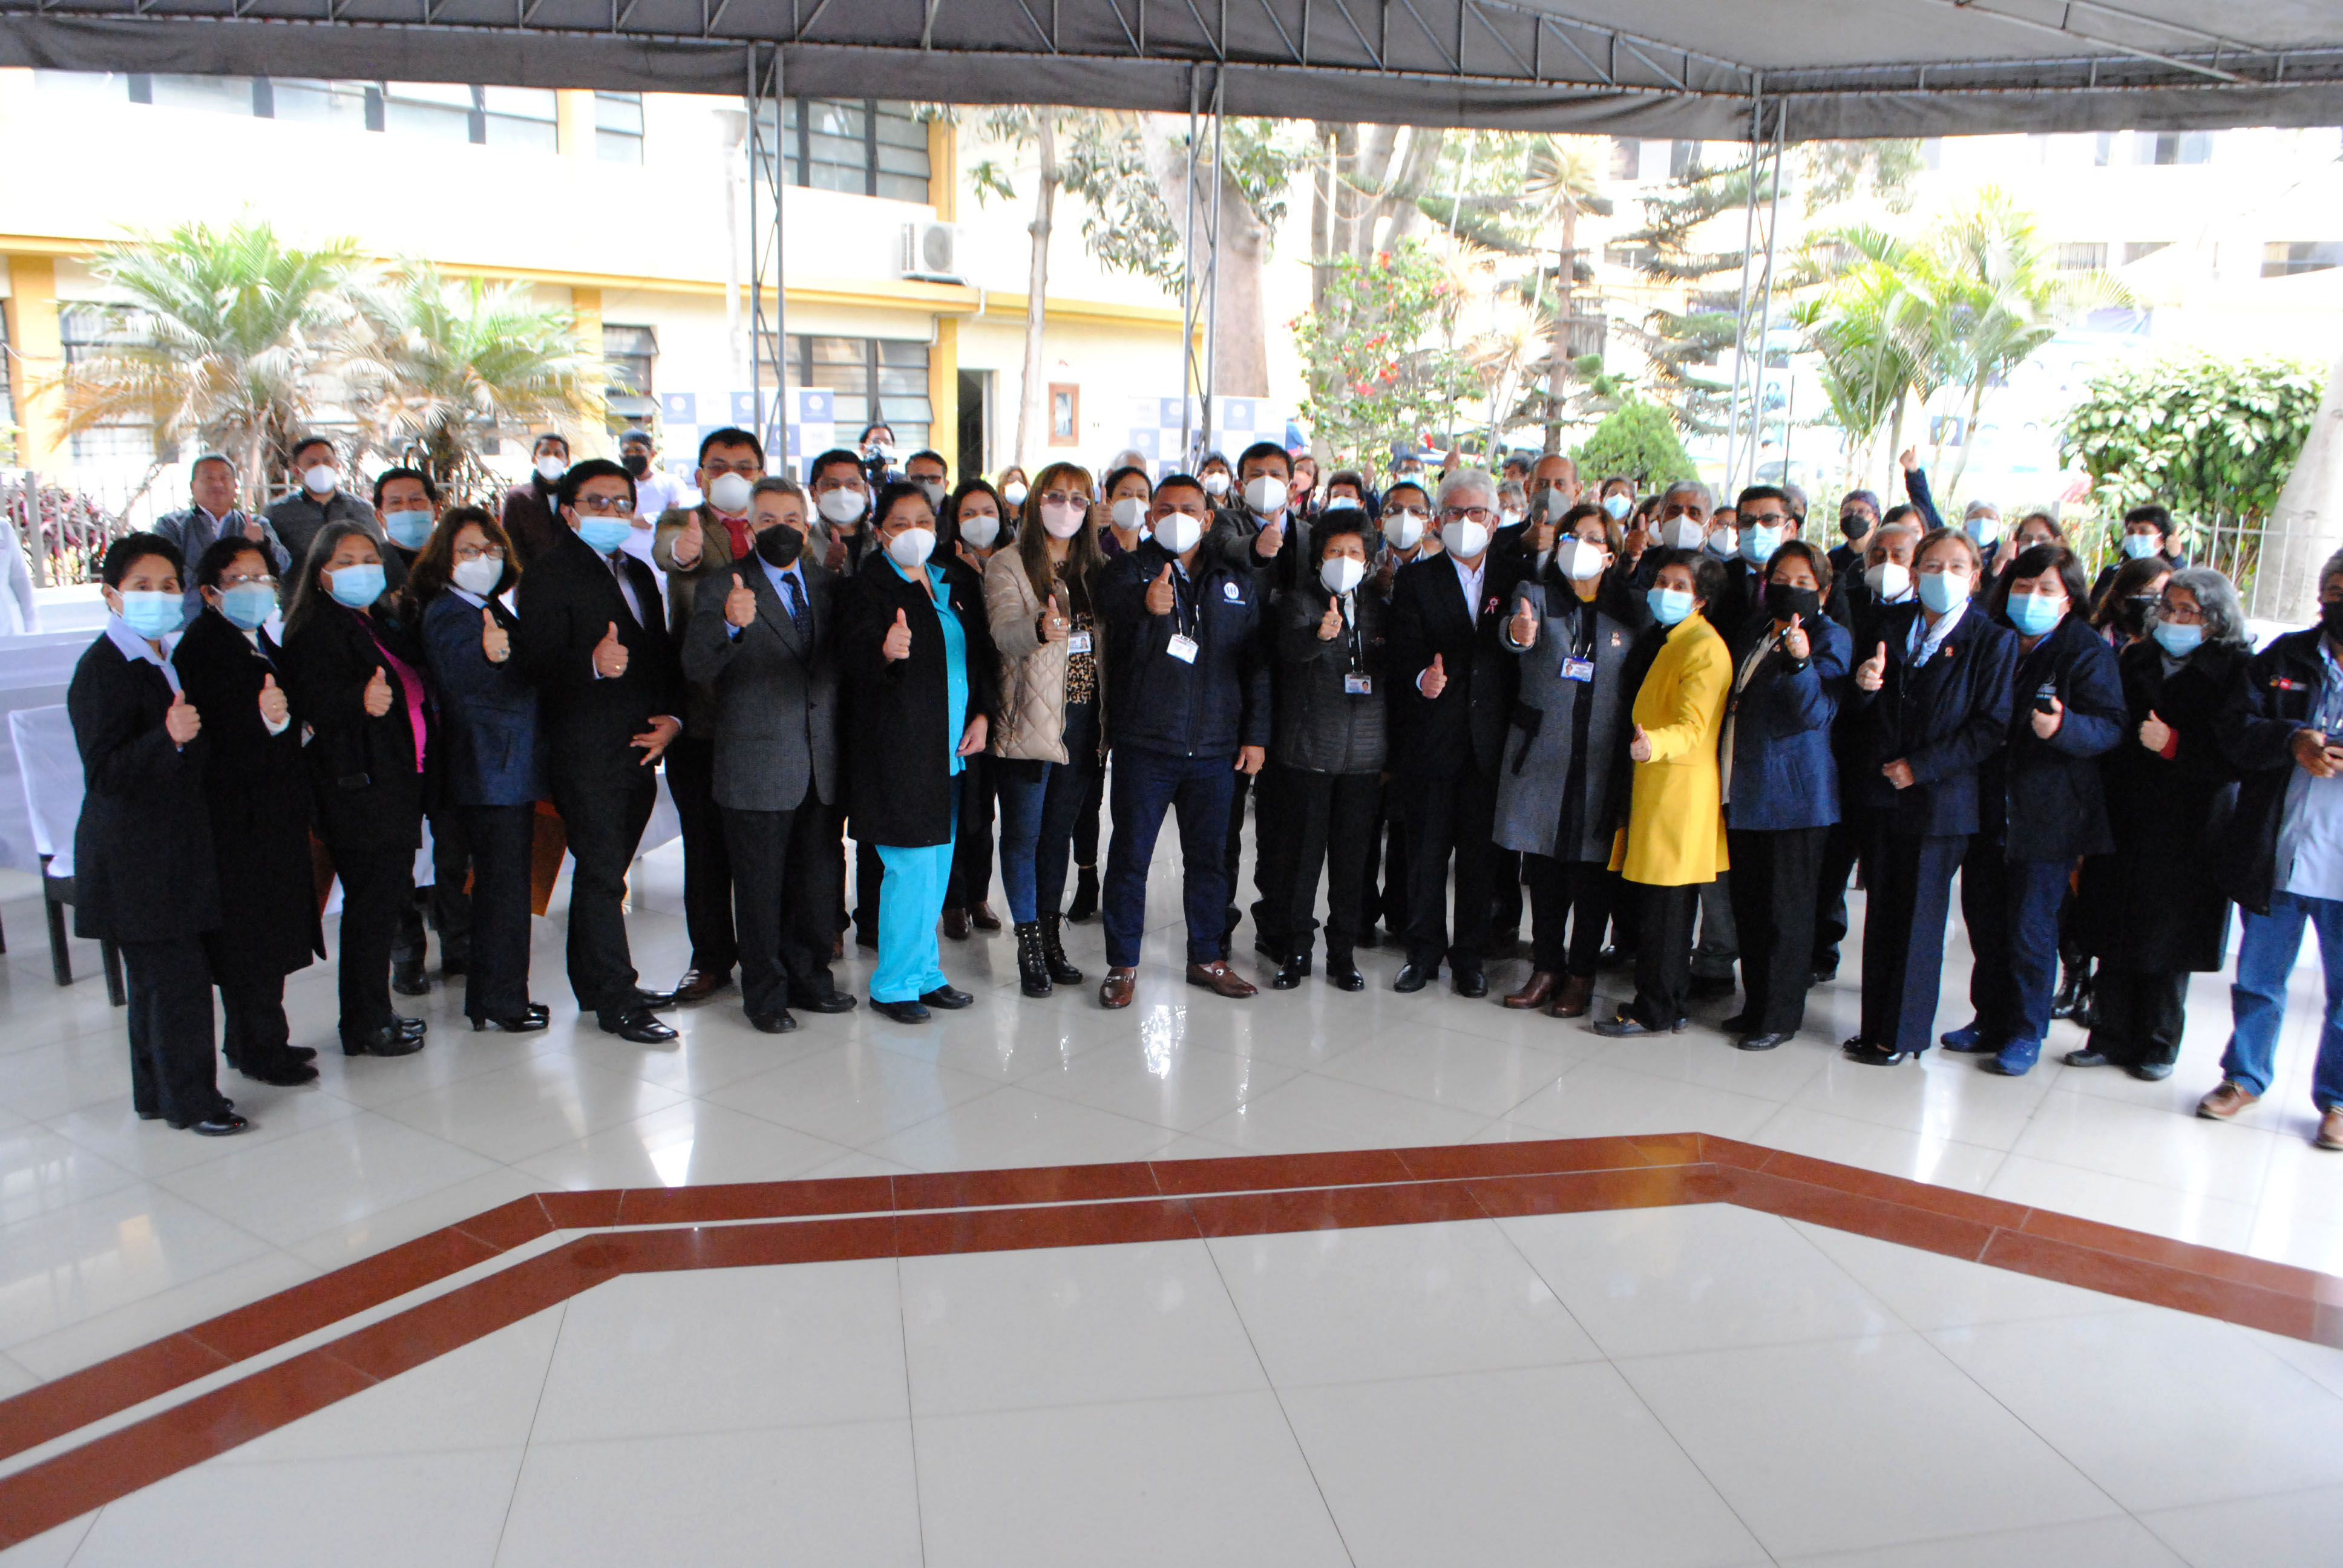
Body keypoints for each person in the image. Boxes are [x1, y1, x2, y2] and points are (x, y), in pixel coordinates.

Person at [70, 535, 246, 1135]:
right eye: (142, 587)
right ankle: (194, 1102)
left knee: (158, 984)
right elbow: (104, 773)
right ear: (111, 596)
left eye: (168, 586)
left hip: (170, 848)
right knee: (178, 985)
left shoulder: (160, 655)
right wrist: (166, 738)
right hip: (136, 859)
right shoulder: (103, 669)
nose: (159, 596)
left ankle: (157, 1093)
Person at [513, 459, 685, 1044]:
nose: (611, 513)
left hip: (639, 743)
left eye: (620, 503)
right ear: (569, 511)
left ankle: (596, 984)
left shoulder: (637, 570)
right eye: (597, 502)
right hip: (584, 746)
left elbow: (658, 653)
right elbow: (532, 664)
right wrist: (589, 664)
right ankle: (617, 998)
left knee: (604, 870)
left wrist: (672, 718)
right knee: (604, 877)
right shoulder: (546, 574)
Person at [1941, 544, 2124, 1076]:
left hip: (2047, 817)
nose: (2032, 597)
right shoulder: (1989, 637)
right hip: (1983, 808)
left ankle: (2025, 1029)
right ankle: (1989, 1018)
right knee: (1985, 921)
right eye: (2023, 585)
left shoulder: (2084, 650)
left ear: (2069, 599)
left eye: (2047, 589)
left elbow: (2111, 726)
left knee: (2029, 929)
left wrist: (2064, 727)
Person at [680, 476, 853, 1033]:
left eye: (793, 520)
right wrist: (732, 625)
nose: (783, 529)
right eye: (770, 520)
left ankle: (811, 982)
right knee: (758, 889)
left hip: (822, 764)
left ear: (808, 526)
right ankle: (765, 995)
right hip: (756, 765)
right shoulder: (721, 587)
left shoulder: (830, 585)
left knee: (816, 885)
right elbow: (697, 668)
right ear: (751, 526)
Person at [1841, 529, 2018, 1065]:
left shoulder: (1992, 640)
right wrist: (1864, 688)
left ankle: (1902, 1034)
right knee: (1882, 914)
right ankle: (1873, 1027)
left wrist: (1920, 769)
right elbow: (1861, 705)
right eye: (1932, 566)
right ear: (1914, 573)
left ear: (1975, 577)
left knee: (1919, 920)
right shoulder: (1891, 626)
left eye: (1956, 567)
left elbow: (1990, 727)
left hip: (1940, 801)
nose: (1942, 577)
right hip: (1882, 793)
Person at [2068, 569, 2253, 1080]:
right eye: (2167, 608)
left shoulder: (2236, 669)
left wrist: (2175, 746)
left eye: (2187, 612)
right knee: (2116, 920)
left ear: (2214, 620)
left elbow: (2239, 751)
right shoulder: (2138, 658)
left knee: (2169, 935)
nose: (2173, 619)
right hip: (2128, 810)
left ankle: (2157, 1043)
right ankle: (2107, 1033)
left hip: (2191, 824)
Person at [1095, 473, 1268, 1007]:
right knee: (1130, 858)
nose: (1176, 516)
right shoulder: (1126, 573)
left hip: (1215, 749)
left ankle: (1206, 956)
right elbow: (1118, 625)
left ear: (1208, 518)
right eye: (1165, 507)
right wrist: (1147, 609)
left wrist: (1255, 736)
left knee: (1211, 860)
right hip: (1146, 745)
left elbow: (1256, 664)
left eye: (1189, 508)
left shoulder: (1234, 576)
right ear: (1149, 518)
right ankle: (1123, 965)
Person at [839, 480, 996, 1022]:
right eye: (901, 523)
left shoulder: (948, 582)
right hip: (899, 752)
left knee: (937, 866)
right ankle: (893, 983)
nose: (914, 533)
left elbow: (978, 656)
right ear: (880, 531)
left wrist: (982, 714)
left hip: (952, 751)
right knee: (908, 869)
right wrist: (884, 653)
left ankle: (926, 973)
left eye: (924, 522)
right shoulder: (868, 588)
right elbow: (850, 663)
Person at [2203, 552, 2343, 1149]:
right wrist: (2290, 740)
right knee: (2259, 978)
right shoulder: (2284, 657)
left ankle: (2337, 1101)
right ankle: (2243, 1077)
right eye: (2335, 588)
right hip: (2277, 852)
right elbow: (2233, 728)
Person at [172, 537, 324, 1085]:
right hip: (239, 817)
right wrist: (276, 726)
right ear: (212, 593)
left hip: (272, 808)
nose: (258, 588)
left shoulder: (254, 638)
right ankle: (259, 1048)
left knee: (273, 928)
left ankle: (261, 1037)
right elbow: (224, 737)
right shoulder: (204, 649)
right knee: (252, 937)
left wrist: (289, 723)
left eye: (264, 576)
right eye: (242, 579)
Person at [277, 521, 431, 1058]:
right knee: (372, 910)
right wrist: (357, 702)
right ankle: (364, 1024)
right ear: (320, 573)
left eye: (369, 557)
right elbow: (311, 708)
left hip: (396, 783)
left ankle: (375, 1012)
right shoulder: (315, 629)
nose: (360, 568)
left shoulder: (377, 620)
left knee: (384, 905)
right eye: (345, 561)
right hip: (358, 792)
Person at [1495, 503, 1649, 1018]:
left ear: (1609, 553)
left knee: (1590, 875)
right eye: (1570, 535)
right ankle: (1545, 966)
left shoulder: (1632, 612)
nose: (1578, 545)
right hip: (1542, 756)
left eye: (1591, 537)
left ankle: (1581, 975)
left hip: (1603, 760)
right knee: (1543, 868)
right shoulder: (1534, 595)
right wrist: (1519, 633)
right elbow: (1515, 636)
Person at [1385, 468, 1526, 997]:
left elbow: (1521, 655)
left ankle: (1470, 957)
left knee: (1478, 859)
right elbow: (1401, 653)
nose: (1465, 522)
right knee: (1424, 854)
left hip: (1489, 743)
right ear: (1438, 520)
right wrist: (1424, 677)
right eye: (1453, 513)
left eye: (1476, 514)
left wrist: (1520, 638)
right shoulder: (1418, 579)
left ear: (1494, 520)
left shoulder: (1516, 577)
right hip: (1432, 738)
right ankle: (1422, 953)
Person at [412, 506, 550, 1035]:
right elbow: (465, 679)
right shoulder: (451, 612)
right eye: (469, 551)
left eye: (492, 551)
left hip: (505, 765)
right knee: (503, 889)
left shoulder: (488, 605)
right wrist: (491, 658)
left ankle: (495, 996)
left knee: (506, 887)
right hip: (488, 768)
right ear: (444, 558)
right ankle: (502, 1001)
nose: (483, 560)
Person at [652, 426, 773, 1006]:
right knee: (704, 847)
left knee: (766, 845)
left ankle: (769, 952)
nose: (733, 475)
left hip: (771, 716)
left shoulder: (780, 522)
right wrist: (687, 553)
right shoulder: (682, 522)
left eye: (745, 466)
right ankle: (710, 959)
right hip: (703, 716)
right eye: (720, 465)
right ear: (700, 475)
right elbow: (672, 553)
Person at [1715, 538, 1851, 1050]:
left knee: (1787, 915)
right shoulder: (1755, 629)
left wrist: (1799, 664)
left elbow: (1813, 713)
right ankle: (1756, 1006)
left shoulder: (1829, 638)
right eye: (1782, 581)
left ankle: (1779, 1016)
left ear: (1824, 590)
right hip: (1745, 789)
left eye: (1803, 584)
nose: (1790, 591)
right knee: (1750, 907)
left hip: (1795, 798)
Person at [1590, 550, 1732, 1036]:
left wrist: (1656, 744)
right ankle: (1663, 1000)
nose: (1665, 592)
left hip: (1678, 791)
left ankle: (1657, 1008)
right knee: (1656, 910)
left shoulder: (1703, 647)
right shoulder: (1669, 638)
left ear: (1701, 599)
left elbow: (1693, 726)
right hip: (1654, 786)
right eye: (1662, 581)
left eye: (1679, 585)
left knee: (1668, 915)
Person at [987, 461, 1106, 996]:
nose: (1067, 508)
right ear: (1036, 503)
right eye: (1056, 497)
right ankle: (1029, 943)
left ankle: (1052, 938)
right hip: (1031, 722)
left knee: (1057, 835)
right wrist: (1039, 627)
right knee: (1023, 836)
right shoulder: (1008, 564)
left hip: (1082, 724)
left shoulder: (1093, 568)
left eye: (1079, 500)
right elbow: (1004, 633)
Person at [1254, 513, 1385, 990]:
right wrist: (1319, 637)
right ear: (1318, 558)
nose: (1344, 561)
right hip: (1309, 754)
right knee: (1301, 861)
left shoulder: (1379, 607)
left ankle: (1342, 955)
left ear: (1368, 561)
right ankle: (1296, 951)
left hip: (1365, 759)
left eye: (1354, 553)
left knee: (1352, 864)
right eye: (1334, 552)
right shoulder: (1298, 602)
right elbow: (1288, 652)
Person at [372, 466, 466, 995]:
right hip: (396, 734)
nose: (408, 510)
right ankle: (406, 953)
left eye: (417, 500)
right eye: (396, 503)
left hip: (451, 729)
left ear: (435, 507)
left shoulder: (455, 566)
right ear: (380, 513)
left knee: (455, 843)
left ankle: (460, 941)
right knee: (398, 853)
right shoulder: (367, 569)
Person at [937, 479, 1004, 938]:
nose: (980, 521)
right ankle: (954, 902)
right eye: (968, 513)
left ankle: (979, 895)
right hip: (966, 701)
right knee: (957, 808)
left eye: (988, 510)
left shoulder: (1015, 561)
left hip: (1010, 703)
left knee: (985, 811)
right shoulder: (941, 569)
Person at [156, 453, 289, 622]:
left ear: (235, 486)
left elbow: (283, 565)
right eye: (208, 478)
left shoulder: (256, 524)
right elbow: (170, 573)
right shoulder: (171, 525)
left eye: (224, 478)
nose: (217, 484)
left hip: (248, 619)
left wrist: (262, 543)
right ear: (192, 486)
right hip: (188, 620)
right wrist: (226, 588)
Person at [268, 436, 388, 588]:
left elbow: (380, 553)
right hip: (301, 602)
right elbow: (272, 561)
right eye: (313, 463)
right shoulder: (278, 512)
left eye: (327, 461)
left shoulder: (362, 508)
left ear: (337, 466)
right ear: (297, 471)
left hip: (355, 596)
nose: (321, 467)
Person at [500, 433, 572, 566]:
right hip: (531, 578)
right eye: (545, 453)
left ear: (567, 461)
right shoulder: (518, 497)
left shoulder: (576, 496)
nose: (552, 458)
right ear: (534, 459)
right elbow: (509, 542)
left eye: (558, 454)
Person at [2091, 504, 2186, 604]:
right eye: (2131, 531)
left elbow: (2182, 593)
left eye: (2144, 531)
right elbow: (2092, 613)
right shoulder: (2111, 573)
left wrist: (2175, 557)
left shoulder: (2170, 575)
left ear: (2163, 538)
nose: (2136, 537)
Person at [808, 446, 877, 578]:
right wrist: (828, 570)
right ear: (813, 492)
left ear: (866, 490)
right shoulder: (804, 545)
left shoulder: (883, 539)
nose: (843, 493)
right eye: (832, 485)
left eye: (853, 484)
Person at [619, 428, 686, 528]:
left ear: (652, 453)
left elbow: (674, 517)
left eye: (638, 450)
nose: (632, 455)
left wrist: (625, 519)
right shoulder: (614, 487)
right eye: (627, 451)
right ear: (621, 456)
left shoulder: (671, 483)